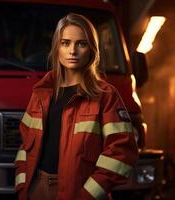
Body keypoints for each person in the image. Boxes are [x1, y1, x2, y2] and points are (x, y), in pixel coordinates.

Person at [14, 13, 138, 200]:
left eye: (81, 43)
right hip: (36, 189)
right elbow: (25, 146)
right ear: (57, 47)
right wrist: (23, 187)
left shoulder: (105, 95)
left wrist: (88, 194)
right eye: (65, 43)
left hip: (78, 193)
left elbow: (122, 153)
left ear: (92, 50)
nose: (72, 50)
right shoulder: (41, 93)